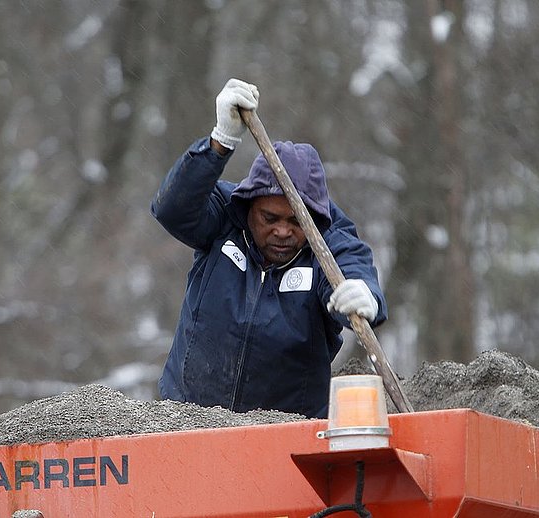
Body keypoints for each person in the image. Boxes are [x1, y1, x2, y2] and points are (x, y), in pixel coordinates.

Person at [151, 78, 387, 418]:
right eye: (270, 217)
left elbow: (354, 268)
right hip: (187, 421)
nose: (282, 231)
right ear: (249, 206)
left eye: (295, 222)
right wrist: (220, 142)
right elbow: (171, 209)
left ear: (315, 218)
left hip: (285, 439)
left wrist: (366, 295)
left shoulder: (329, 241)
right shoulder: (224, 215)